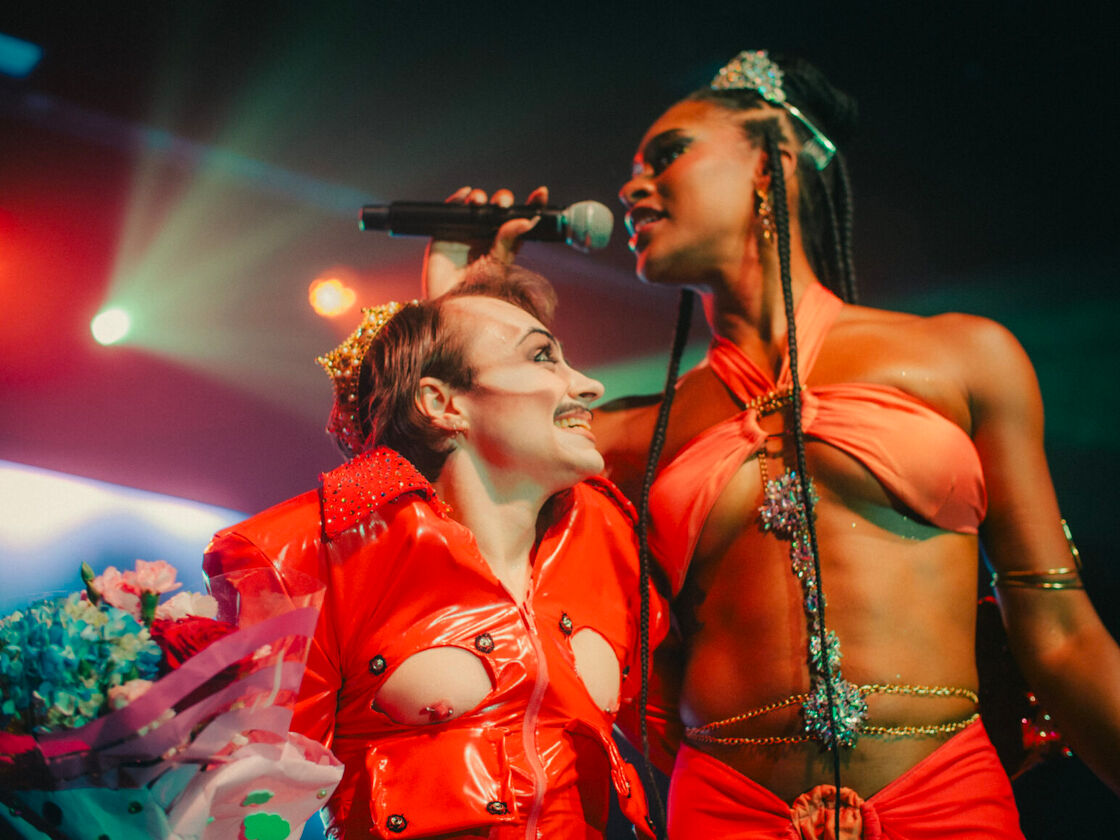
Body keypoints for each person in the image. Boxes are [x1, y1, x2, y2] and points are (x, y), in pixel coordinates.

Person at [423, 50, 1120, 839]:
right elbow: (460, 480)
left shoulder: (965, 358)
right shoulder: (626, 433)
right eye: (634, 170)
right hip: (726, 812)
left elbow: (1061, 639)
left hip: (946, 802)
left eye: (668, 154)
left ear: (771, 163)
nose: (631, 188)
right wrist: (460, 301)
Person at [203, 264, 666, 839]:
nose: (589, 384)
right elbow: (247, 815)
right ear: (441, 403)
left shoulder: (609, 537)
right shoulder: (313, 553)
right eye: (543, 357)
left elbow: (695, 736)